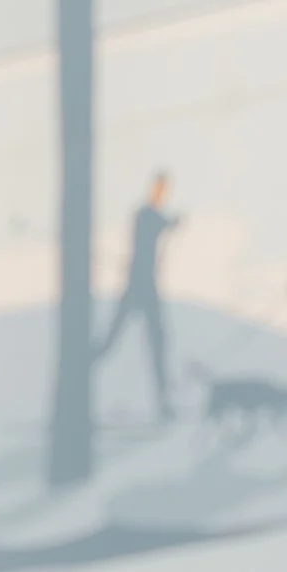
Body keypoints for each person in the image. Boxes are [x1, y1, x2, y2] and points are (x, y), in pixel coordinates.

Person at [93, 170, 180, 421]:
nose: (162, 194)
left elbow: (163, 224)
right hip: (137, 286)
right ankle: (78, 378)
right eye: (160, 189)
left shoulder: (151, 216)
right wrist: (172, 223)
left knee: (156, 344)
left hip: (146, 286)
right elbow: (158, 223)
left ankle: (164, 403)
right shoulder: (145, 215)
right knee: (113, 342)